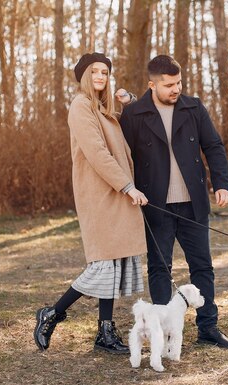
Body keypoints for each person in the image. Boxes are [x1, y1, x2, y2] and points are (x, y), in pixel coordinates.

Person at [119, 55, 228, 349]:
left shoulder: (193, 107)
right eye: (169, 85)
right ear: (152, 84)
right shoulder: (134, 114)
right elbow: (120, 155)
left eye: (178, 83)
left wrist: (222, 184)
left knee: (202, 266)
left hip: (192, 204)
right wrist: (127, 189)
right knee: (160, 268)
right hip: (155, 205)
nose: (176, 89)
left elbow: (213, 146)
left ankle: (208, 326)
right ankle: (162, 332)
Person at [34, 52, 148, 354]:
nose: (101, 77)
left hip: (116, 194)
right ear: (85, 75)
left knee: (114, 261)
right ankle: (52, 313)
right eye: (95, 71)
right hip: (101, 195)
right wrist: (127, 185)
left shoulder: (103, 108)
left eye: (106, 72)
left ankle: (105, 333)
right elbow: (97, 152)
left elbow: (128, 132)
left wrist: (130, 101)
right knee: (101, 266)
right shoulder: (80, 106)